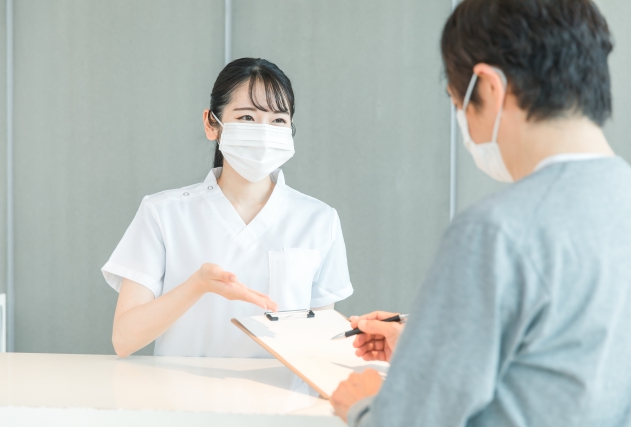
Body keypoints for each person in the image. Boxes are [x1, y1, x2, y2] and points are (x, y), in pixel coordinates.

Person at [330, 0, 631, 425]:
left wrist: (366, 406)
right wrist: (434, 349)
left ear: (488, 88)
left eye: (457, 101)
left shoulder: (497, 231)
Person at [102, 58, 353, 358]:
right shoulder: (163, 213)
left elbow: (321, 343)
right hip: (181, 388)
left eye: (277, 120)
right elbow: (124, 339)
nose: (263, 132)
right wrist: (197, 285)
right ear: (212, 124)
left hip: (280, 389)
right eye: (247, 117)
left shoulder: (319, 220)